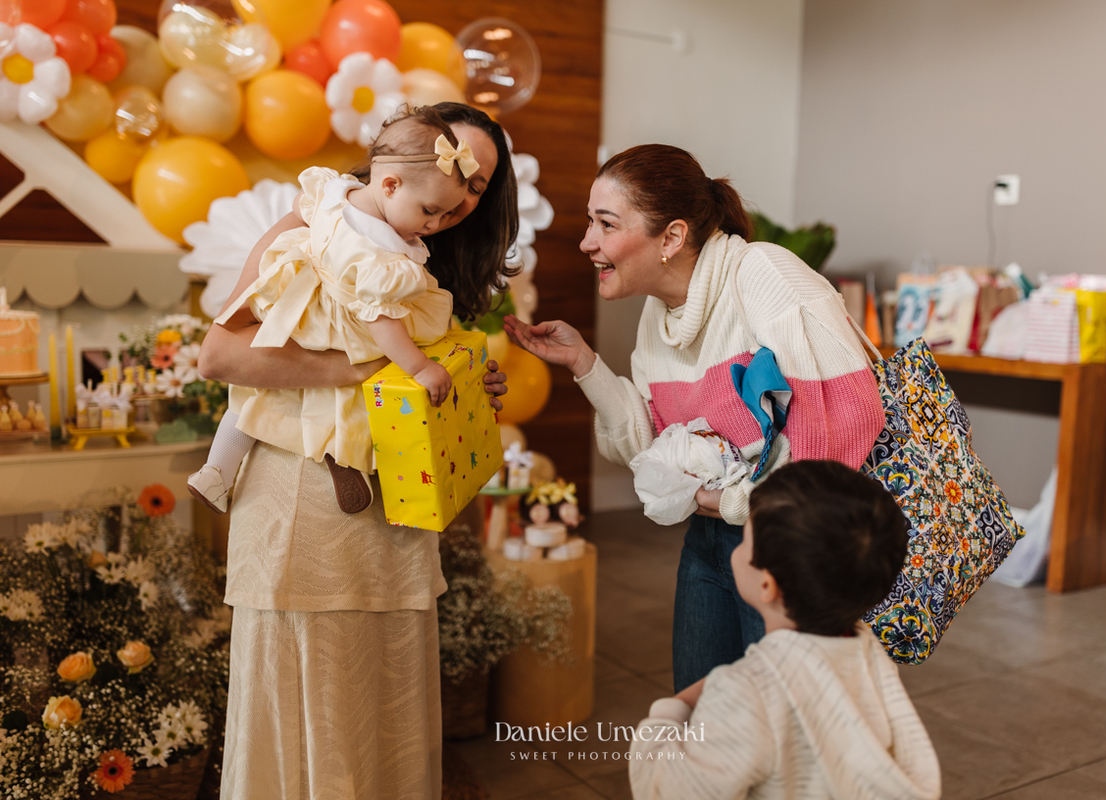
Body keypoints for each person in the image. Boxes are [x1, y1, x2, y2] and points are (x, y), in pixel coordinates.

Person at [197, 102, 517, 800]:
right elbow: (219, 352)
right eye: (452, 162)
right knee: (305, 697)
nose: (462, 191)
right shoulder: (319, 225)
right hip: (302, 502)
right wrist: (378, 371)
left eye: (478, 183)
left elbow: (418, 382)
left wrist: (465, 384)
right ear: (400, 170)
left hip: (396, 512)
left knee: (387, 699)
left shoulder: (429, 256)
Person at [504, 144, 885, 690]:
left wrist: (722, 501)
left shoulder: (765, 276)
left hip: (793, 549)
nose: (587, 241)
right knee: (704, 717)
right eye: (591, 222)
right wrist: (585, 364)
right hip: (711, 543)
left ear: (673, 237)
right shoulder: (658, 314)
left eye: (606, 223)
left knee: (782, 737)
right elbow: (654, 448)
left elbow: (842, 431)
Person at [189, 105, 483, 516]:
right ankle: (342, 459)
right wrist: (419, 367)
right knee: (347, 398)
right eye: (430, 211)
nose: (434, 225)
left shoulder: (335, 193)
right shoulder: (375, 255)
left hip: (289, 307)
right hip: (335, 323)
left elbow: (305, 209)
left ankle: (217, 468)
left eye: (446, 212)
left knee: (258, 391)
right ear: (391, 185)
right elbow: (379, 318)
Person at [628, 460, 942, 800]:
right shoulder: (869, 652)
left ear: (767, 584)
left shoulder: (745, 692)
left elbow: (671, 790)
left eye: (745, 539)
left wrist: (669, 716)